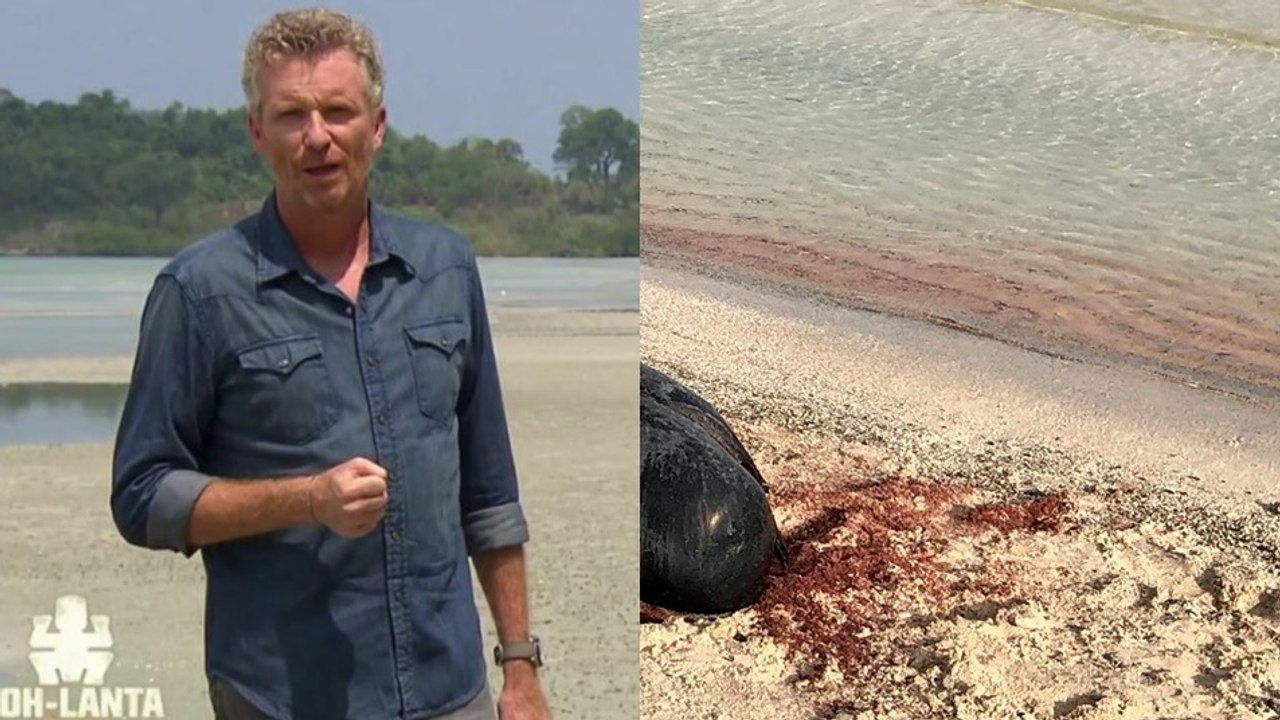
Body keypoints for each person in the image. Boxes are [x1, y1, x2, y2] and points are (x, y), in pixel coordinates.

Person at [109, 9, 552, 720]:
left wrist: (521, 666)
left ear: (376, 125)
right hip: (282, 695)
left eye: (338, 111)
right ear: (257, 132)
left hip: (450, 685)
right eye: (291, 114)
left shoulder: (444, 267)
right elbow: (142, 495)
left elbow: (490, 490)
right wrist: (306, 499)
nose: (317, 136)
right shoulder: (199, 292)